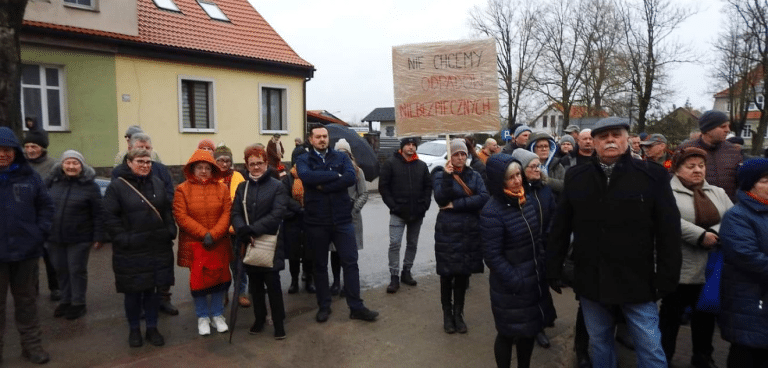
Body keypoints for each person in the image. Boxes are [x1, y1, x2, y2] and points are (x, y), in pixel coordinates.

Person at [546, 117, 682, 368]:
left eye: (616, 134)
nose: (610, 140)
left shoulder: (652, 175)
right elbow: (561, 226)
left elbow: (669, 231)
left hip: (637, 280)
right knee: (599, 342)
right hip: (592, 278)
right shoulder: (577, 176)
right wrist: (553, 268)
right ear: (594, 142)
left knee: (650, 345)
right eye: (603, 136)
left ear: (627, 139)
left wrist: (667, 276)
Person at [296, 124, 379, 323]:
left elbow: (350, 177)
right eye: (318, 137)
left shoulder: (341, 157)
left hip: (342, 220)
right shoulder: (303, 159)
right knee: (320, 265)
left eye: (325, 136)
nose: (322, 139)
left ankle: (356, 307)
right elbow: (306, 176)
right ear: (311, 139)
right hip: (317, 221)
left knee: (350, 262)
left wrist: (321, 184)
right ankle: (324, 306)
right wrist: (335, 175)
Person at [659, 147, 733, 368]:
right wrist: (700, 236)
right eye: (690, 166)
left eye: (701, 166)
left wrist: (715, 233)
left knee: (705, 315)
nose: (697, 170)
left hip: (710, 266)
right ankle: (664, 357)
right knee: (671, 316)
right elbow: (667, 219)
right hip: (678, 266)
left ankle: (702, 356)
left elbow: (732, 218)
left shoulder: (717, 192)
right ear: (677, 169)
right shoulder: (666, 192)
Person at [480, 154, 556, 368]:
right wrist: (516, 280)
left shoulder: (526, 201)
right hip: (511, 288)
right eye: (510, 177)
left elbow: (536, 239)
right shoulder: (492, 212)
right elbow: (492, 256)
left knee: (528, 332)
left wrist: (541, 264)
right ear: (499, 181)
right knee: (507, 334)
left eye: (518, 175)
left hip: (532, 281)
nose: (517, 180)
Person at [103, 148, 177, 348]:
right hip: (131, 250)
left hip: (157, 246)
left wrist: (171, 230)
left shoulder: (158, 183)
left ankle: (152, 328)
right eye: (140, 161)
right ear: (129, 163)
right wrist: (124, 239)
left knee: (153, 291)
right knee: (133, 292)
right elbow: (109, 217)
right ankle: (134, 329)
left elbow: (166, 210)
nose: (145, 165)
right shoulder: (117, 187)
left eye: (148, 162)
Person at [0, 127, 53, 364]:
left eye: (7, 150)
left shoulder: (29, 176)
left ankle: (31, 346)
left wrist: (38, 233)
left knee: (27, 303)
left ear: (15, 151)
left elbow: (46, 207)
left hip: (26, 252)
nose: (3, 154)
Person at [112, 133, 178, 315]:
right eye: (140, 148)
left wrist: (169, 229)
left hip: (159, 230)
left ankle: (164, 299)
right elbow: (115, 205)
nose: (144, 151)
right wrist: (123, 236)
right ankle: (141, 305)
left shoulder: (160, 169)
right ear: (130, 150)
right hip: (134, 231)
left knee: (162, 268)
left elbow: (169, 193)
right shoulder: (119, 173)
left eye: (147, 148)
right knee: (139, 272)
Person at [173, 149, 233, 336]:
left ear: (213, 169)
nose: (204, 171)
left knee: (219, 280)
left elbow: (227, 213)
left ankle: (217, 314)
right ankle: (203, 317)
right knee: (199, 282)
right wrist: (203, 234)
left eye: (207, 167)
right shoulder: (182, 189)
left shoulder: (222, 188)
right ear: (192, 169)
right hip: (195, 244)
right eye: (199, 167)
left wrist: (213, 234)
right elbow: (181, 216)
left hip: (218, 242)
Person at [432, 139, 490, 334]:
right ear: (450, 155)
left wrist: (457, 204)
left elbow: (484, 197)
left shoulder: (474, 175)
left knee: (462, 274)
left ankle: (459, 313)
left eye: (463, 154)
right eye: (456, 154)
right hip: (447, 231)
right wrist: (447, 177)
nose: (460, 157)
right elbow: (441, 199)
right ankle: (447, 315)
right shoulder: (440, 174)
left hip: (468, 231)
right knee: (447, 274)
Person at [231, 146, 288, 339]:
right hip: (249, 243)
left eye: (260, 163)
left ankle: (279, 323)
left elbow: (277, 214)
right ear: (246, 165)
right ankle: (259, 318)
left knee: (273, 285)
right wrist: (242, 230)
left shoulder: (277, 186)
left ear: (266, 164)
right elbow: (235, 212)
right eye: (252, 164)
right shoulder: (242, 187)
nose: (256, 167)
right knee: (255, 286)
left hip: (269, 242)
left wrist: (252, 230)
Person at [718, 158, 768, 368]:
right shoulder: (737, 216)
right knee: (747, 352)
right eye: (765, 180)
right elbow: (746, 255)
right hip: (749, 297)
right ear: (750, 184)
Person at [45, 150, 105, 320]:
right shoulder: (53, 182)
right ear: (61, 165)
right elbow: (43, 207)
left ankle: (78, 303)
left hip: (79, 238)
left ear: (82, 166)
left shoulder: (90, 186)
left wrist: (99, 236)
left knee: (76, 270)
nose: (71, 166)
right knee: (60, 270)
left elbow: (98, 214)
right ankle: (65, 301)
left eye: (75, 163)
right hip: (54, 237)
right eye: (67, 162)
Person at [511, 148, 558, 349]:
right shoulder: (516, 192)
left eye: (538, 166)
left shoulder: (545, 188)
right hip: (522, 249)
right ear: (522, 170)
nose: (538, 169)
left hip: (542, 245)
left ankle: (540, 325)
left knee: (540, 287)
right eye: (532, 166)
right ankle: (521, 328)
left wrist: (548, 234)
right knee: (523, 291)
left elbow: (554, 213)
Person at [379, 137, 432, 294]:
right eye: (408, 144)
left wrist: (424, 205)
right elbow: (383, 187)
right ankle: (394, 276)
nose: (411, 147)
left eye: (413, 145)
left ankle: (406, 271)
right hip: (398, 212)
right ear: (402, 147)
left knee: (412, 243)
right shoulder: (390, 164)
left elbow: (428, 187)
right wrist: (393, 206)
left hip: (417, 212)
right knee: (395, 243)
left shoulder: (421, 166)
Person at [23, 125, 60, 302]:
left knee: (50, 256)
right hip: (26, 218)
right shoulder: (20, 164)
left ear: (43, 148)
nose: (30, 150)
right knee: (29, 257)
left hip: (46, 217)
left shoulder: (54, 165)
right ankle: (32, 288)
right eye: (27, 146)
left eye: (34, 146)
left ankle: (56, 287)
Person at [328, 139, 368, 296]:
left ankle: (348, 284)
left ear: (349, 154)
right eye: (339, 152)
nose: (342, 155)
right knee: (334, 252)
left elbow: (363, 194)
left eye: (345, 152)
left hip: (352, 218)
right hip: (334, 217)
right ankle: (336, 282)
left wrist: (353, 209)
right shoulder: (330, 170)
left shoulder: (357, 171)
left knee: (349, 254)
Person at [214, 145, 250, 308]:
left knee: (238, 264)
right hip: (217, 229)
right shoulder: (211, 178)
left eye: (227, 160)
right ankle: (222, 294)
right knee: (220, 265)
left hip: (236, 229)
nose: (224, 164)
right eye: (220, 160)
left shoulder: (238, 176)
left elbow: (244, 200)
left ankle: (240, 292)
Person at [678, 110, 743, 201]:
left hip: (728, 205)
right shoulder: (686, 149)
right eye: (723, 126)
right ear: (708, 129)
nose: (728, 130)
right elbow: (674, 178)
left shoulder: (733, 151)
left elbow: (741, 182)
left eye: (728, 126)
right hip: (695, 205)